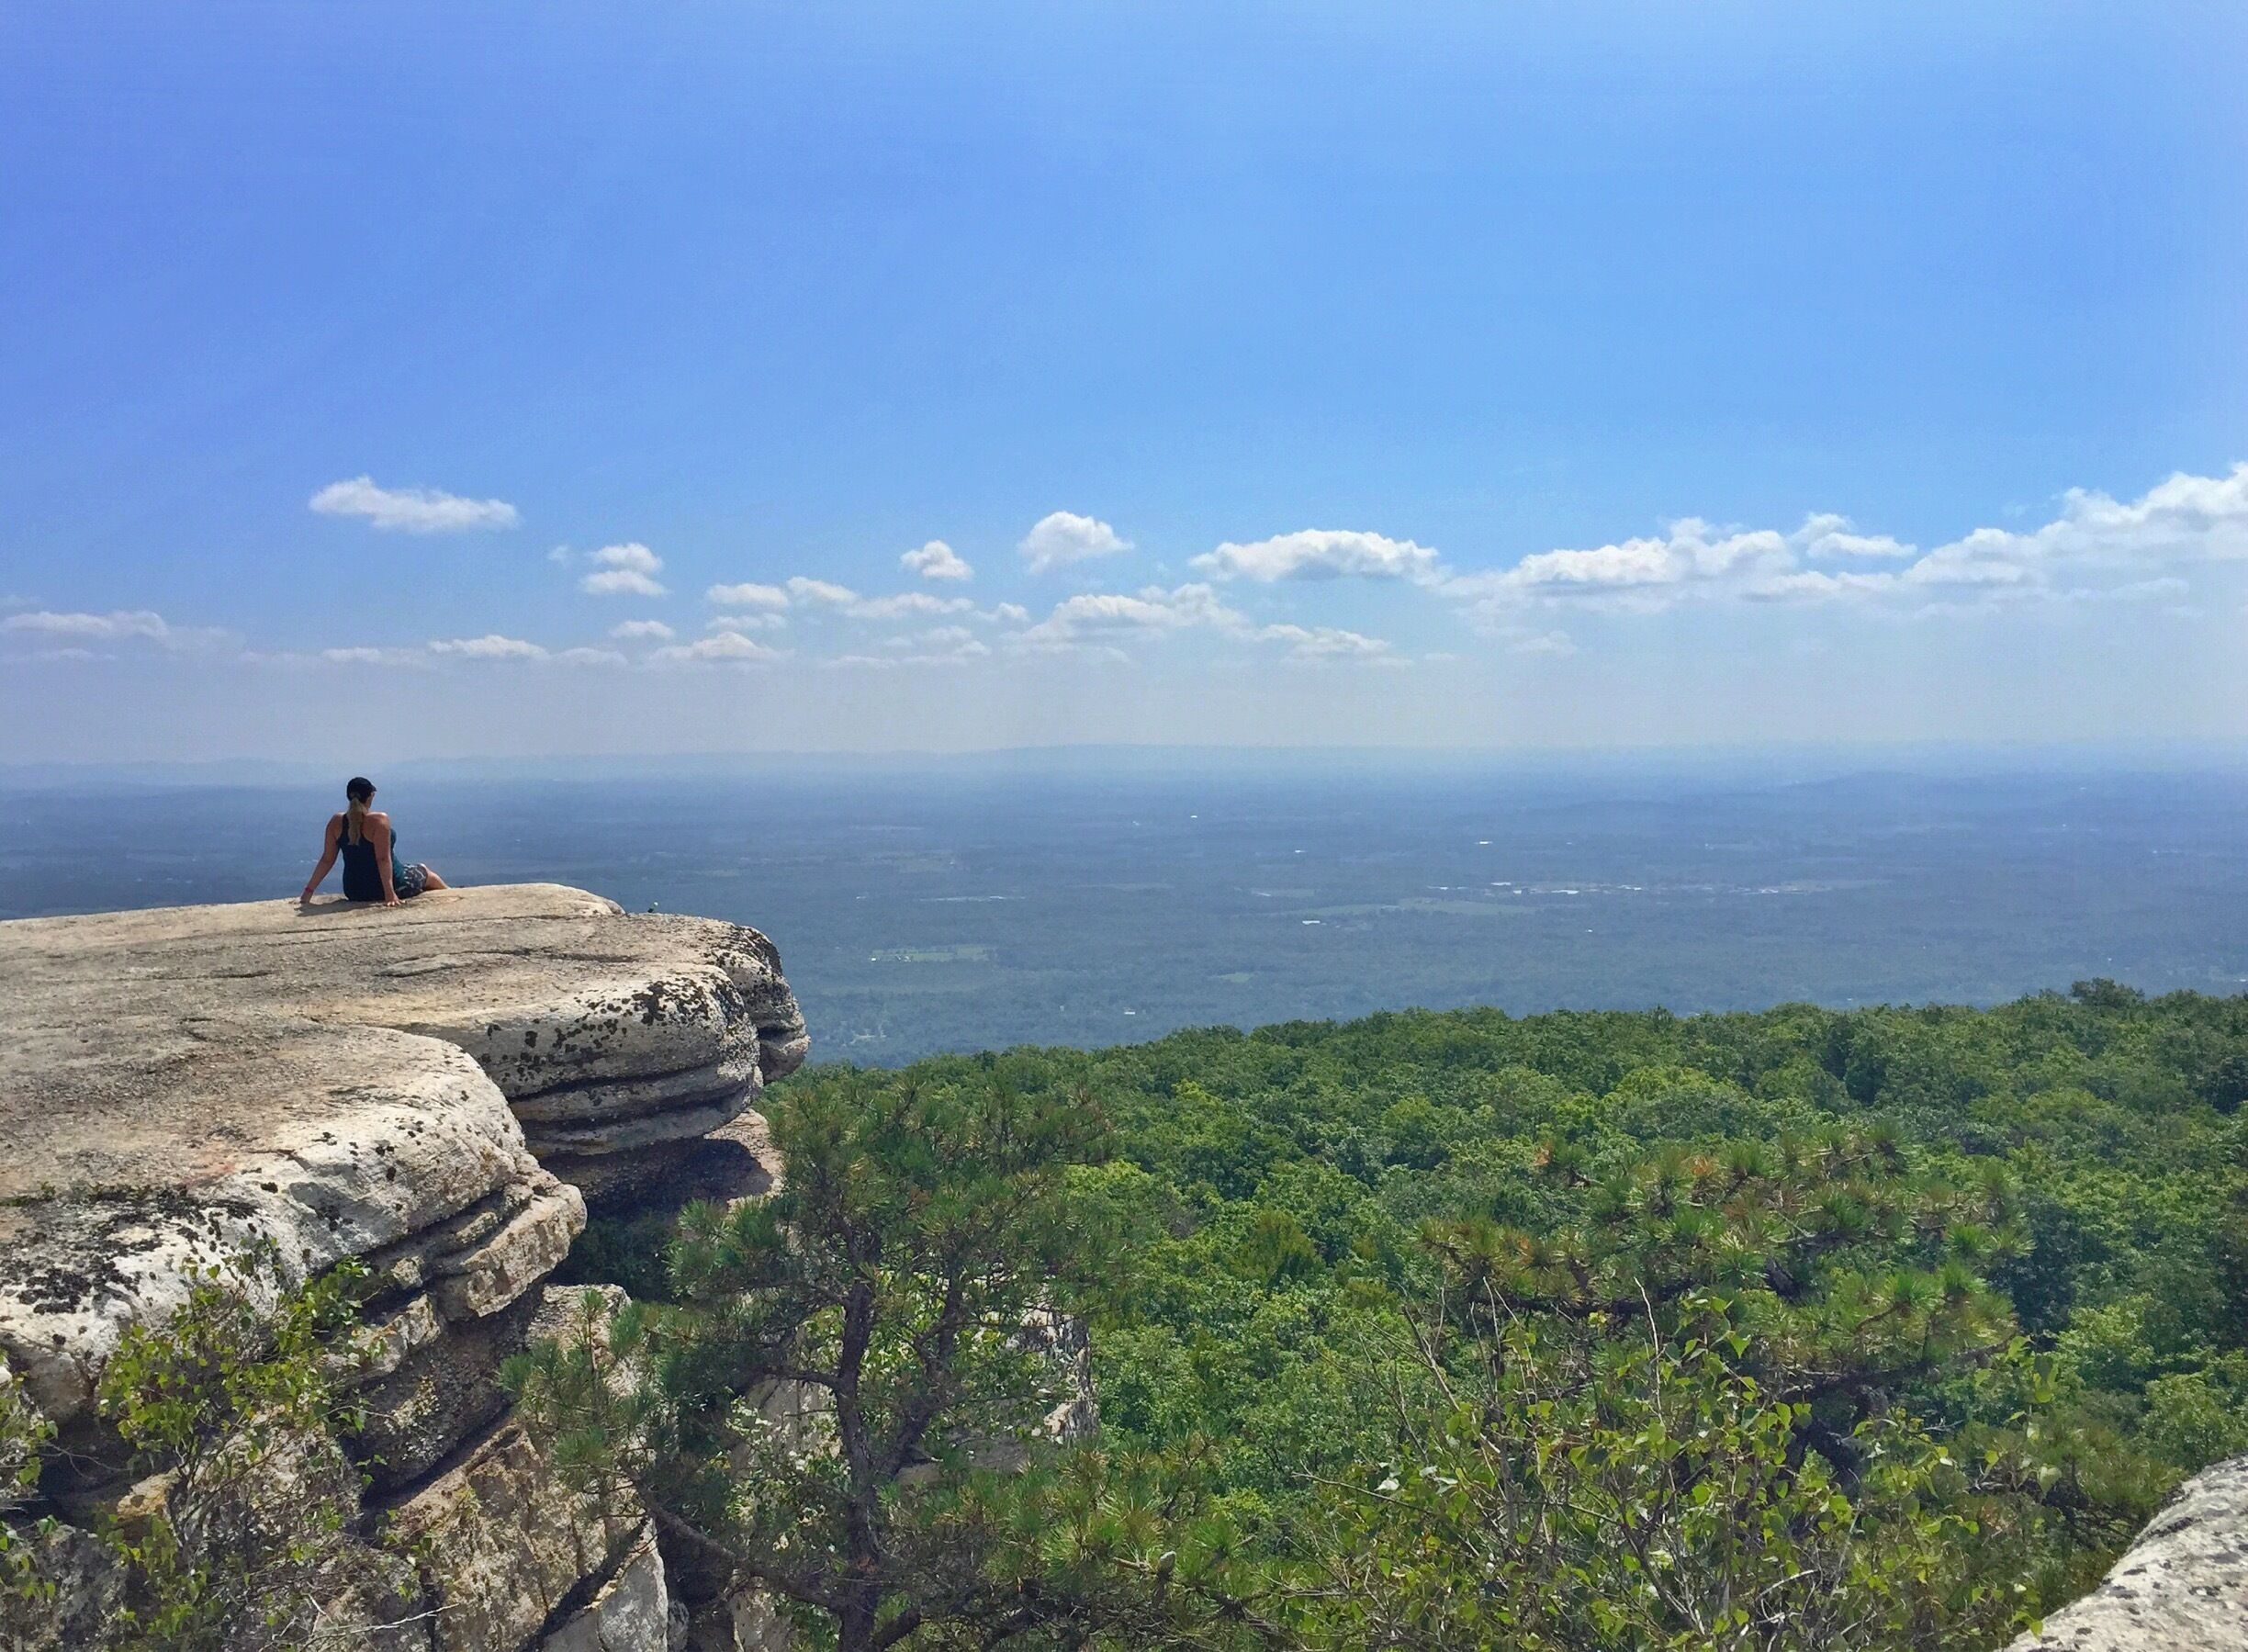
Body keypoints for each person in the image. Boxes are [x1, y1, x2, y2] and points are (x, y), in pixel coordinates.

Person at [299, 776, 449, 906]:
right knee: (424, 871)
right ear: (370, 796)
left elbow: (327, 859)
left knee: (414, 869)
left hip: (354, 891)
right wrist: (389, 894)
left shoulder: (336, 822)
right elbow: (383, 859)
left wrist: (308, 893)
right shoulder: (379, 820)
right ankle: (454, 897)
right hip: (390, 886)